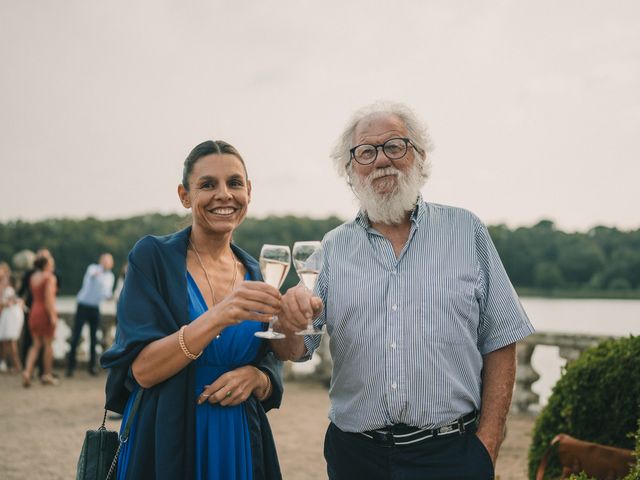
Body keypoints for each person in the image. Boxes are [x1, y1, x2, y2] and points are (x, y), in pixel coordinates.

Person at [274, 102, 535, 480]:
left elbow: (502, 338)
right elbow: (297, 351)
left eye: (394, 146)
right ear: (350, 171)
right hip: (356, 456)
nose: (381, 160)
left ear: (420, 157)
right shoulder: (330, 249)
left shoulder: (466, 232)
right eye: (365, 151)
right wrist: (286, 322)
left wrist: (487, 445)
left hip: (451, 454)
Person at [101, 140, 284, 479]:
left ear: (249, 192)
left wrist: (258, 378)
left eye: (234, 183)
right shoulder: (152, 257)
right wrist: (218, 315)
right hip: (166, 432)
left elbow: (271, 358)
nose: (224, 194)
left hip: (238, 437)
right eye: (207, 185)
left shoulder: (255, 270)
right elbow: (143, 371)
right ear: (185, 196)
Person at [66, 253, 115, 376]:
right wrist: (99, 274)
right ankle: (70, 367)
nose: (105, 263)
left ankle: (92, 367)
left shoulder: (110, 276)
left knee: (94, 338)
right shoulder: (93, 268)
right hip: (83, 305)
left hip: (95, 307)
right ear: (100, 260)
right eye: (104, 260)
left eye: (108, 261)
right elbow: (92, 277)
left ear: (111, 264)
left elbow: (106, 293)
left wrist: (112, 297)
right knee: (76, 336)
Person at [18, 248, 60, 378]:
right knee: (48, 344)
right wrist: (53, 316)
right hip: (44, 313)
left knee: (35, 345)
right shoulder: (50, 277)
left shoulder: (33, 277)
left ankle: (27, 371)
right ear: (47, 264)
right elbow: (48, 300)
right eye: (51, 262)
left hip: (34, 311)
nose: (53, 264)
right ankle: (47, 374)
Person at [0, 263, 25, 373]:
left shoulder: (8, 290)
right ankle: (8, 363)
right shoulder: (9, 290)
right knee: (8, 341)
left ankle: (16, 365)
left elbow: (8, 303)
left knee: (11, 341)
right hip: (8, 316)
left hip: (9, 317)